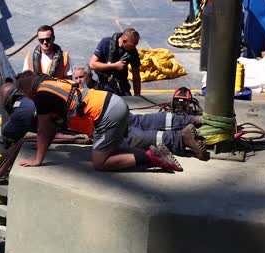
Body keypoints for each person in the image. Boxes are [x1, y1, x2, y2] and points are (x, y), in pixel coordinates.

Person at [14, 70, 183, 172]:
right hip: (112, 101)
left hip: (106, 115)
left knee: (100, 162)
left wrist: (38, 160)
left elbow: (44, 130)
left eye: (24, 94)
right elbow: (50, 126)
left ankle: (153, 157)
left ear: (28, 90)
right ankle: (169, 141)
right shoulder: (47, 81)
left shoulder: (41, 96)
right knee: (124, 140)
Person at [73, 64, 207, 160]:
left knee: (135, 137)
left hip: (106, 125)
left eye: (81, 77)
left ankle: (181, 138)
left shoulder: (85, 92)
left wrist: (75, 138)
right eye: (76, 78)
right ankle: (194, 120)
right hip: (116, 113)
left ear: (90, 76)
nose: (78, 81)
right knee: (143, 122)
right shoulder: (95, 90)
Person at [89, 28, 141, 96]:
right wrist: (114, 66)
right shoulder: (105, 43)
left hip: (122, 87)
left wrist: (137, 95)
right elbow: (92, 64)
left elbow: (136, 75)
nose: (134, 47)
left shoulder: (133, 51)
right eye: (132, 45)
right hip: (105, 85)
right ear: (124, 41)